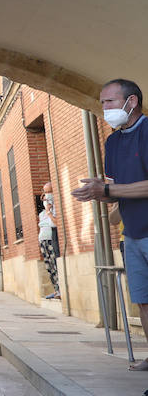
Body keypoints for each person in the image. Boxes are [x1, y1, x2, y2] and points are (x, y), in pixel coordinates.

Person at [74, 79, 148, 370]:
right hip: (131, 235)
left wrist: (107, 191)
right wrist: (96, 190)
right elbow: (116, 190)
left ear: (131, 102)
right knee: (143, 302)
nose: (104, 109)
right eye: (102, 102)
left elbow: (121, 189)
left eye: (109, 102)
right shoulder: (112, 142)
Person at [38, 183, 60, 299]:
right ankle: (56, 290)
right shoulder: (43, 213)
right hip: (43, 241)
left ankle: (60, 290)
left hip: (52, 239)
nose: (46, 196)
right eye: (45, 192)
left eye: (48, 192)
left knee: (55, 265)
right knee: (49, 267)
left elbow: (55, 222)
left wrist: (49, 212)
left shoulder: (54, 208)